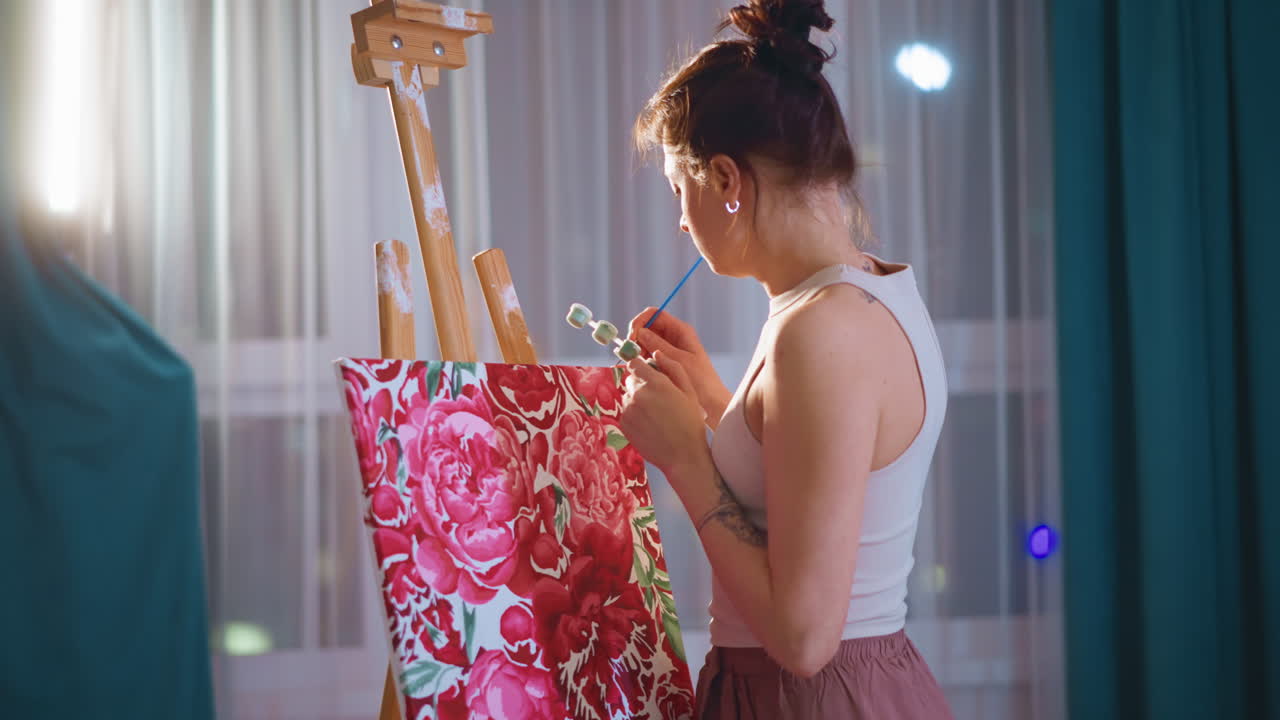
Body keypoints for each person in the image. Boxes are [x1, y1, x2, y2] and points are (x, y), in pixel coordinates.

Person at [616, 1, 955, 717]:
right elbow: (802, 475)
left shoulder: (821, 331)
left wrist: (686, 458)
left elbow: (803, 639)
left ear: (728, 182)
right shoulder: (864, 292)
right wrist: (715, 402)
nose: (681, 220)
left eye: (681, 190)